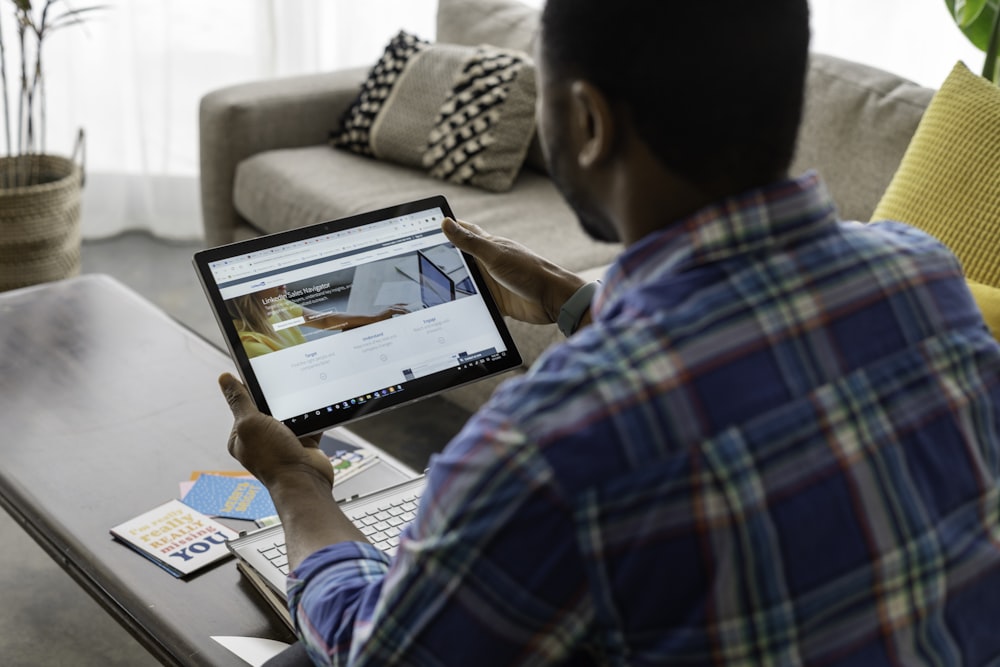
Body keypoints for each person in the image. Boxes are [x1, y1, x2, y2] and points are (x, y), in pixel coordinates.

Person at [218, 0, 1000, 664]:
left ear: (587, 121)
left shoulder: (552, 443)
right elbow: (743, 368)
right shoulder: (921, 276)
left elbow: (376, 650)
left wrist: (297, 483)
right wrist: (573, 298)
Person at [226, 285, 407, 358]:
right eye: (268, 280)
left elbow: (324, 320)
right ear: (247, 293)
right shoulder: (250, 344)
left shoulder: (275, 304)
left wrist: (374, 318)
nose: (282, 284)